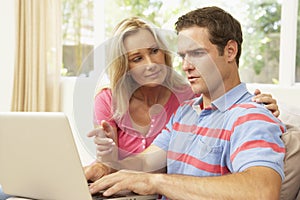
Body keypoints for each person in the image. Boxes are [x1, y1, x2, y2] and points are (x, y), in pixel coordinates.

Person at [85, 6, 286, 199]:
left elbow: (262, 192)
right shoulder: (186, 112)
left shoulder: (251, 115)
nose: (186, 66)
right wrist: (108, 165)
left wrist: (156, 182)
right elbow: (145, 162)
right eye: (183, 56)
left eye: (197, 53)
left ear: (230, 51)